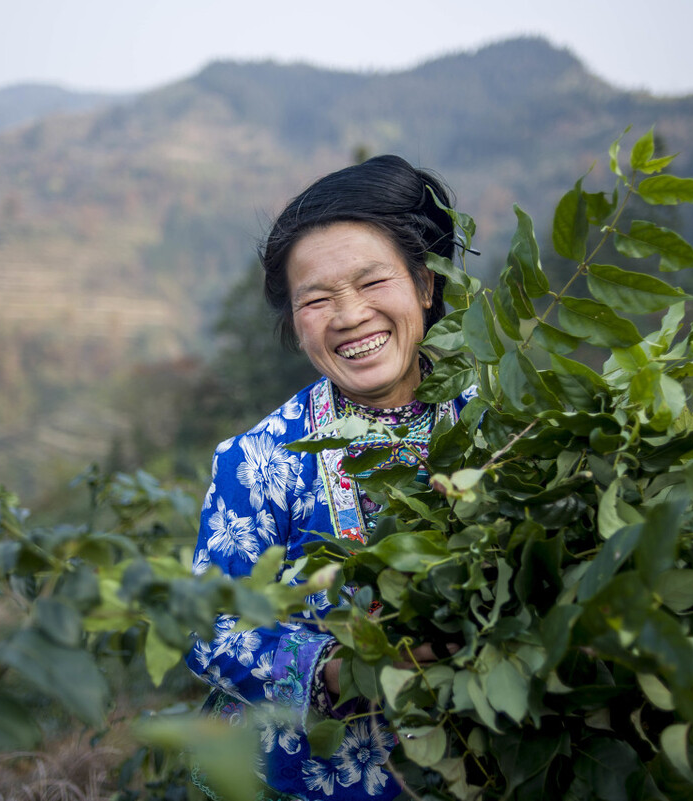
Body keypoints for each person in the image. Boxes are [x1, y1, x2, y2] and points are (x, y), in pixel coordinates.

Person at [185, 155, 474, 801]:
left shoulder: (503, 429)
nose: (349, 315)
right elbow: (208, 629)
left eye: (373, 282)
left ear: (425, 285)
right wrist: (351, 669)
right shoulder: (261, 460)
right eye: (316, 298)